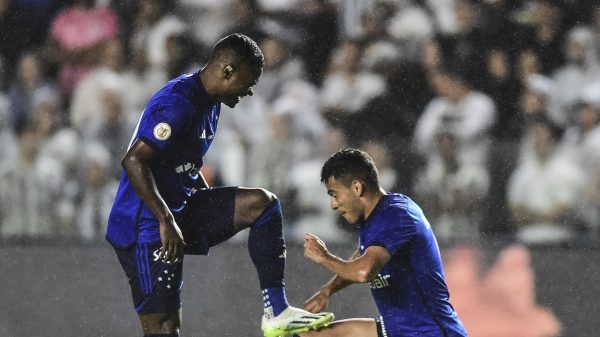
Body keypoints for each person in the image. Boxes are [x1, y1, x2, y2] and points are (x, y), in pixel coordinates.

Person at [106, 33, 334, 337]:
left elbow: (181, 160)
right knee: (163, 327)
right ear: (228, 71)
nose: (250, 92)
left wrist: (201, 196)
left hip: (178, 210)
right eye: (249, 82)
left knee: (262, 205)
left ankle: (277, 312)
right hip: (145, 224)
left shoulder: (210, 102)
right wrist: (165, 218)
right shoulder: (177, 102)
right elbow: (134, 161)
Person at [299, 148, 468, 337]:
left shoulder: (396, 215)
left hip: (431, 333)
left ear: (357, 188)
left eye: (335, 194)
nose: (333, 204)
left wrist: (324, 257)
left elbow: (364, 271)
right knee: (310, 335)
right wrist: (328, 290)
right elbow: (363, 256)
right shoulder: (374, 218)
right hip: (397, 330)